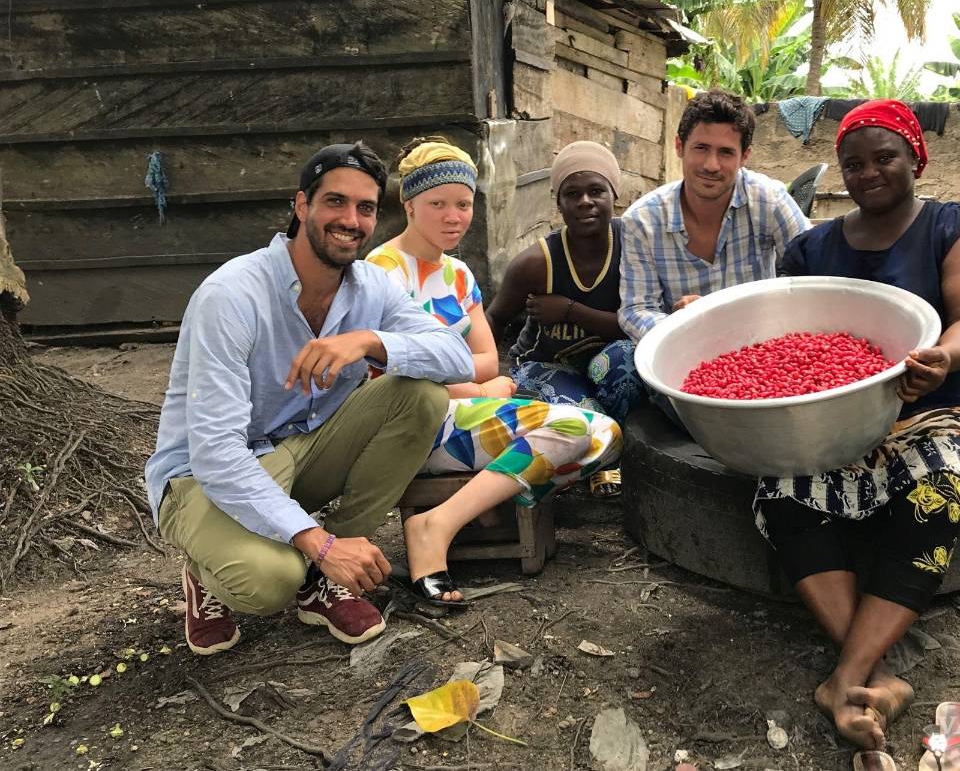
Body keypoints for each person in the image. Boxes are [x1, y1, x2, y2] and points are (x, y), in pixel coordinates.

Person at [144, 142, 475, 656]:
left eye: (365, 208)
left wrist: (369, 342)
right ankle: (209, 572)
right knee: (270, 581)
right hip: (203, 474)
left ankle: (327, 577)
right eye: (335, 203)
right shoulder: (231, 295)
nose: (351, 220)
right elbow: (215, 450)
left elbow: (458, 357)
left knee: (423, 396)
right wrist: (316, 542)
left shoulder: (372, 288)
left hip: (303, 449)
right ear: (301, 206)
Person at [754, 100, 960, 755]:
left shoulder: (957, 227)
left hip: (932, 408)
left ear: (914, 158)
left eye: (884, 157)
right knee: (782, 487)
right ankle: (875, 677)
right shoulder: (812, 248)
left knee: (943, 488)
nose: (869, 173)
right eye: (854, 163)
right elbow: (792, 341)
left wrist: (943, 356)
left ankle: (843, 678)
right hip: (834, 414)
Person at [366, 139, 622, 605]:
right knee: (577, 426)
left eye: (463, 204)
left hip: (459, 416)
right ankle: (436, 527)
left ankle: (458, 514)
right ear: (409, 205)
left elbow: (487, 357)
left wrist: (470, 379)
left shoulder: (459, 275)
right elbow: (388, 373)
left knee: (605, 437)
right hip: (410, 426)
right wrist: (476, 385)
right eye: (437, 204)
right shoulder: (382, 272)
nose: (453, 216)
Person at [486, 141, 643, 496]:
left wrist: (571, 311)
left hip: (609, 358)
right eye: (573, 194)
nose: (585, 201)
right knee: (583, 415)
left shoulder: (633, 245)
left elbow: (641, 323)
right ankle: (602, 465)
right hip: (549, 364)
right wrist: (476, 379)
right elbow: (494, 319)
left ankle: (627, 458)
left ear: (613, 195)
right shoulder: (536, 264)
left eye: (596, 191)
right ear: (559, 203)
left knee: (626, 363)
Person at [618, 89, 810, 342]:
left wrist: (733, 316)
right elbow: (636, 310)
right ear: (679, 146)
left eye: (726, 152)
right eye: (701, 148)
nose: (711, 165)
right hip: (684, 350)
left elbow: (811, 279)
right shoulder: (642, 221)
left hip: (764, 344)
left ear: (745, 156)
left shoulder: (769, 201)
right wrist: (683, 325)